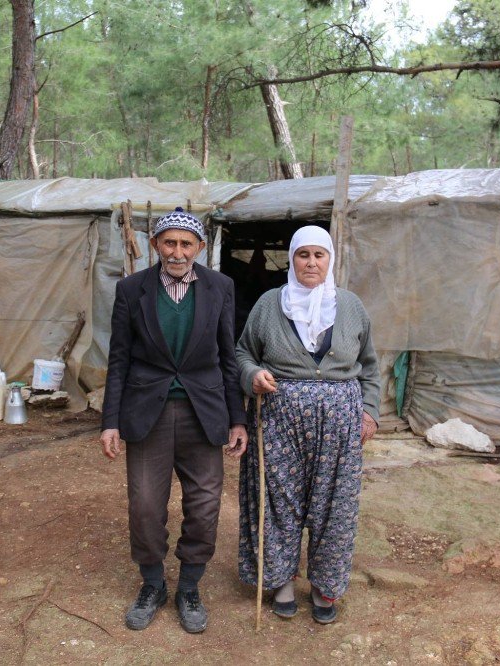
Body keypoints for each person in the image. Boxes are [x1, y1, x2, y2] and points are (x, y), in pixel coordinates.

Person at [100, 207, 248, 634]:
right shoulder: (132, 290)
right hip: (149, 412)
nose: (177, 251)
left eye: (186, 244)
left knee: (204, 504)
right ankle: (152, 584)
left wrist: (237, 420)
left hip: (205, 412)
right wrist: (110, 421)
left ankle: (188, 586)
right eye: (169, 243)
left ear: (201, 247)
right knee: (145, 504)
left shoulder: (221, 287)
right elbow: (120, 359)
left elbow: (227, 356)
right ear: (156, 246)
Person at [235, 225, 380, 624]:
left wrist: (370, 411)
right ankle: (280, 579)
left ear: (330, 260)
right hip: (279, 419)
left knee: (334, 505)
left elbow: (369, 365)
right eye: (303, 255)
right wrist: (252, 376)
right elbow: (242, 353)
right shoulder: (269, 304)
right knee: (279, 499)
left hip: (339, 423)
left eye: (319, 255)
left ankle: (324, 585)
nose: (311, 262)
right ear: (292, 259)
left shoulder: (350, 306)